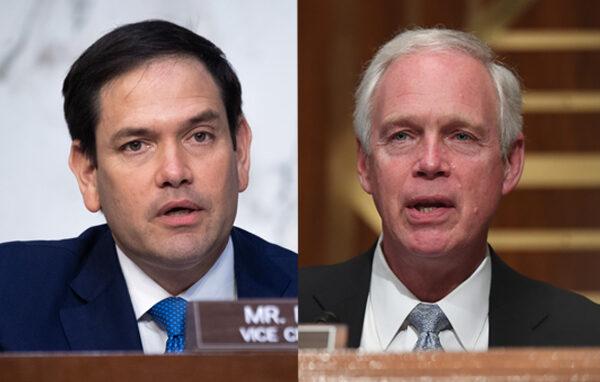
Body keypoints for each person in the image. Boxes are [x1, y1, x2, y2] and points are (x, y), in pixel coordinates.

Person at [0, 20, 297, 353]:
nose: (174, 172)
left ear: (240, 152)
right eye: (136, 145)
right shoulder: (10, 297)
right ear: (88, 173)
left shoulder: (314, 299)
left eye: (199, 136)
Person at [299, 28, 600, 351]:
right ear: (364, 164)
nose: (430, 162)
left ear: (510, 162)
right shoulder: (286, 314)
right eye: (402, 135)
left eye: (461, 136)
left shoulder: (584, 337)